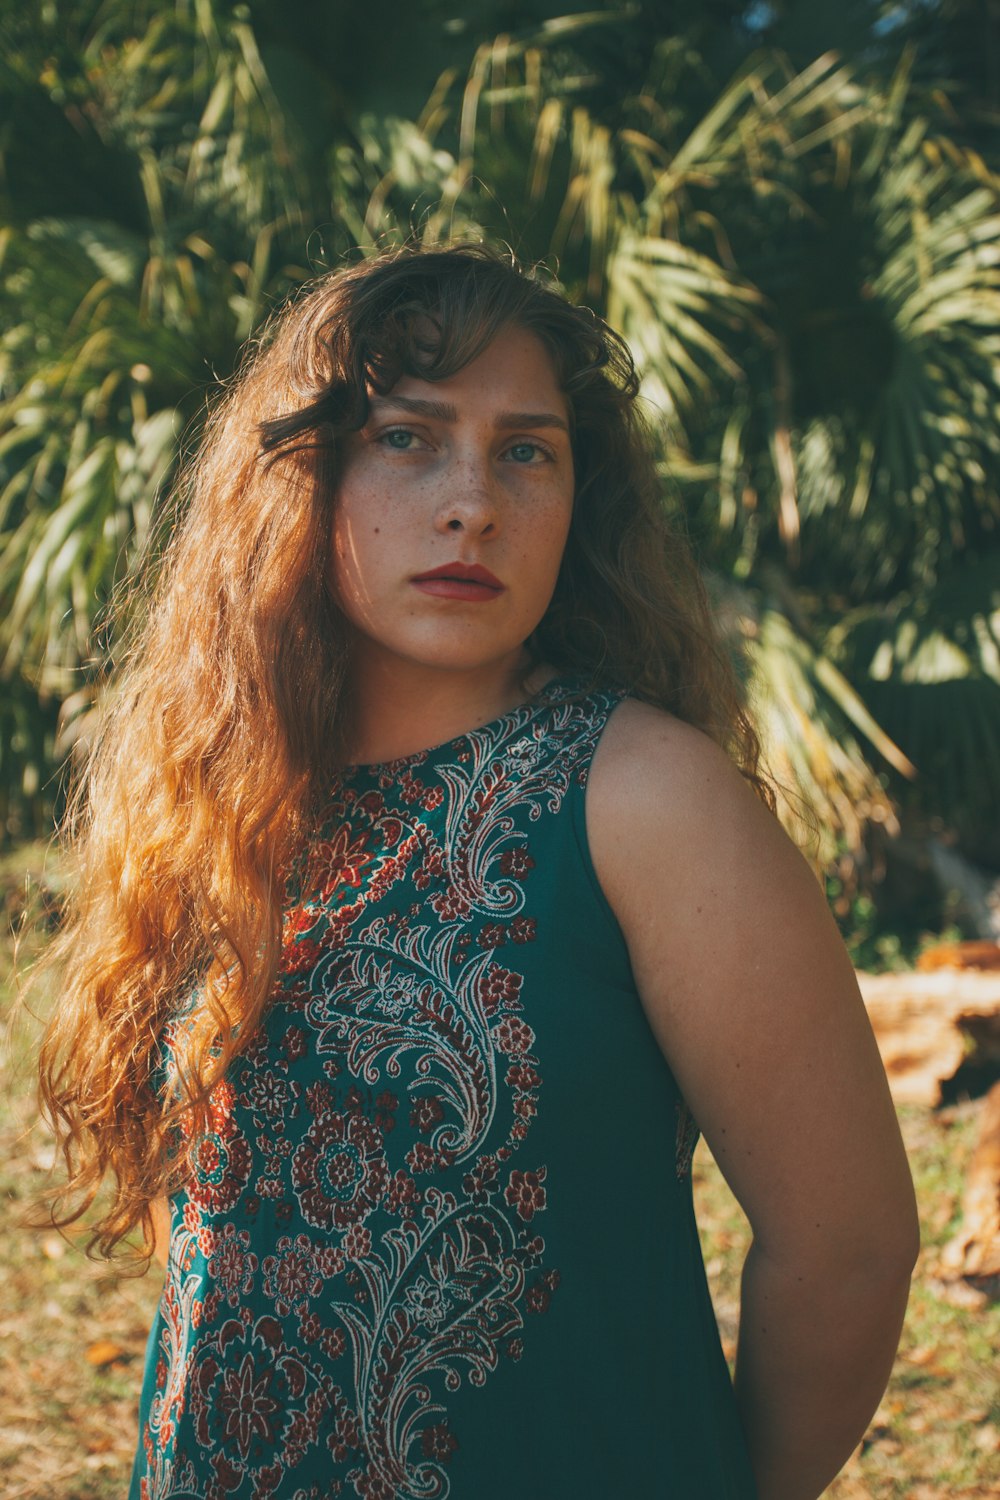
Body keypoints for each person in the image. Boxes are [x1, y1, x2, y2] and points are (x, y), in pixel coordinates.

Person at [37, 243, 918, 1500]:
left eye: (527, 450)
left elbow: (847, 1249)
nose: (474, 504)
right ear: (298, 477)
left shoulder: (642, 797)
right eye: (409, 438)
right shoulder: (217, 792)